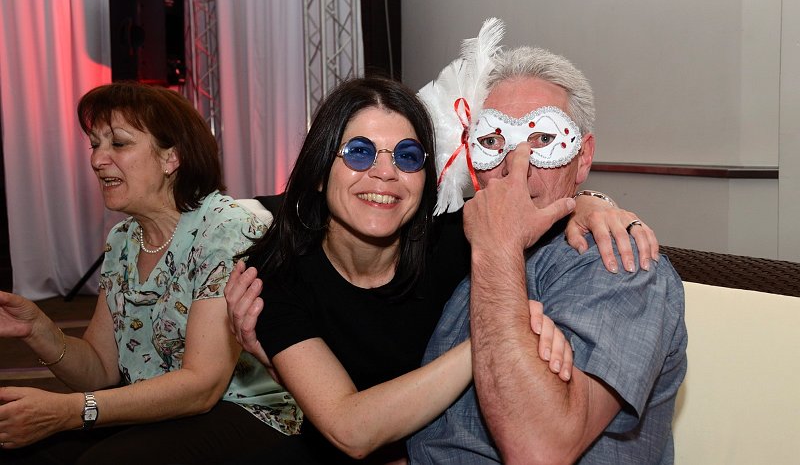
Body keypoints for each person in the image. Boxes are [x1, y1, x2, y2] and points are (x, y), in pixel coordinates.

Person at [224, 76, 659, 463]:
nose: (384, 173)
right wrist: (496, 336)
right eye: (359, 153)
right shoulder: (275, 275)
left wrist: (591, 202)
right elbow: (350, 429)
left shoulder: (454, 238)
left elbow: (525, 209)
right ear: (321, 171)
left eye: (407, 157)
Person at [407, 42, 688, 464]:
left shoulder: (618, 264)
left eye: (542, 139)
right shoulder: (454, 248)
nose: (515, 166)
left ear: (582, 158)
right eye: (492, 140)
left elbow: (539, 450)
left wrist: (498, 248)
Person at [0, 83, 300, 465]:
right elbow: (100, 370)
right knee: (21, 449)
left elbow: (202, 386)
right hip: (163, 408)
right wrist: (36, 328)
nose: (97, 160)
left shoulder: (226, 230)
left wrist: (71, 411)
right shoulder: (123, 240)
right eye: (94, 144)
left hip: (249, 411)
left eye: (118, 143)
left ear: (171, 157)